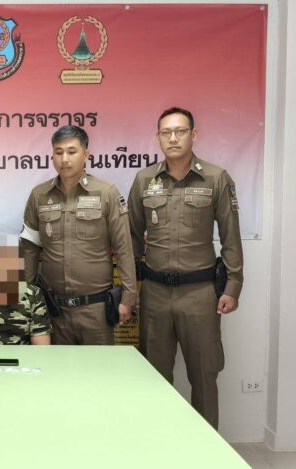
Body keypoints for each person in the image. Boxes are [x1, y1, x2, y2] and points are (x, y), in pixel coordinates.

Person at [127, 107, 244, 428]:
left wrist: (233, 286)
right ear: (158, 138)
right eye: (166, 132)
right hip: (155, 294)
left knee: (204, 375)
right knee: (153, 377)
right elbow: (131, 237)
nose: (173, 138)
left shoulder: (216, 178)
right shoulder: (144, 180)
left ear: (194, 135)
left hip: (200, 295)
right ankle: (158, 444)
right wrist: (131, 290)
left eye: (180, 131)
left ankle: (206, 450)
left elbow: (231, 237)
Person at [20, 125, 136, 345]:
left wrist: (129, 297)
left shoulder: (106, 192)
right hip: (53, 309)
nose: (64, 159)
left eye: (72, 152)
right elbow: (30, 249)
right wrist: (27, 298)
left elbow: (123, 248)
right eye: (58, 152)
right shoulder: (39, 195)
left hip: (96, 309)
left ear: (86, 154)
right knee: (56, 367)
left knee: (97, 367)